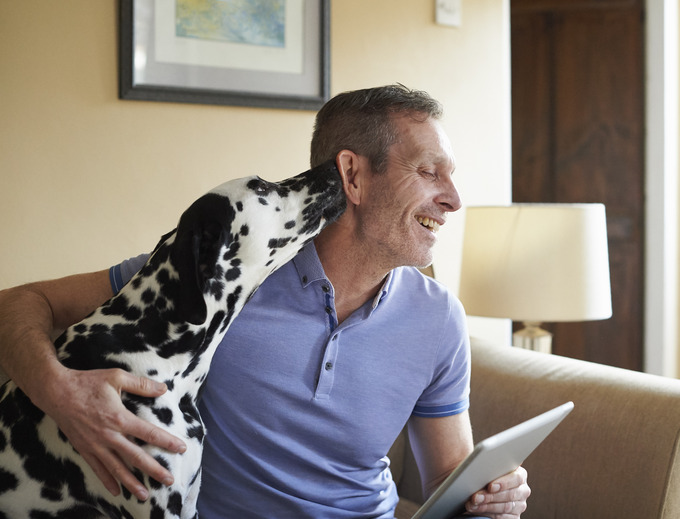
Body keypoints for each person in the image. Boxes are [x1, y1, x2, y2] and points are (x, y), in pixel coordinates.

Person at [0, 85, 530, 517]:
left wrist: (491, 497)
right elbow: (18, 302)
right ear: (353, 176)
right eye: (428, 171)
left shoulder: (439, 318)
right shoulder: (221, 273)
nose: (454, 199)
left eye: (452, 176)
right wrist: (59, 393)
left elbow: (448, 476)